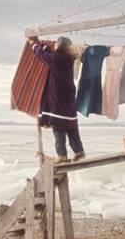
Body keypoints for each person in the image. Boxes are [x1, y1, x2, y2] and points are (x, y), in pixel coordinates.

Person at [27, 35, 86, 163]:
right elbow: (48, 54)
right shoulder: (69, 58)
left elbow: (41, 55)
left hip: (59, 98)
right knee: (71, 127)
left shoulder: (57, 59)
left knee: (58, 127)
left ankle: (62, 156)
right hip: (69, 96)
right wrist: (41, 45)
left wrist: (33, 44)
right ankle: (79, 152)